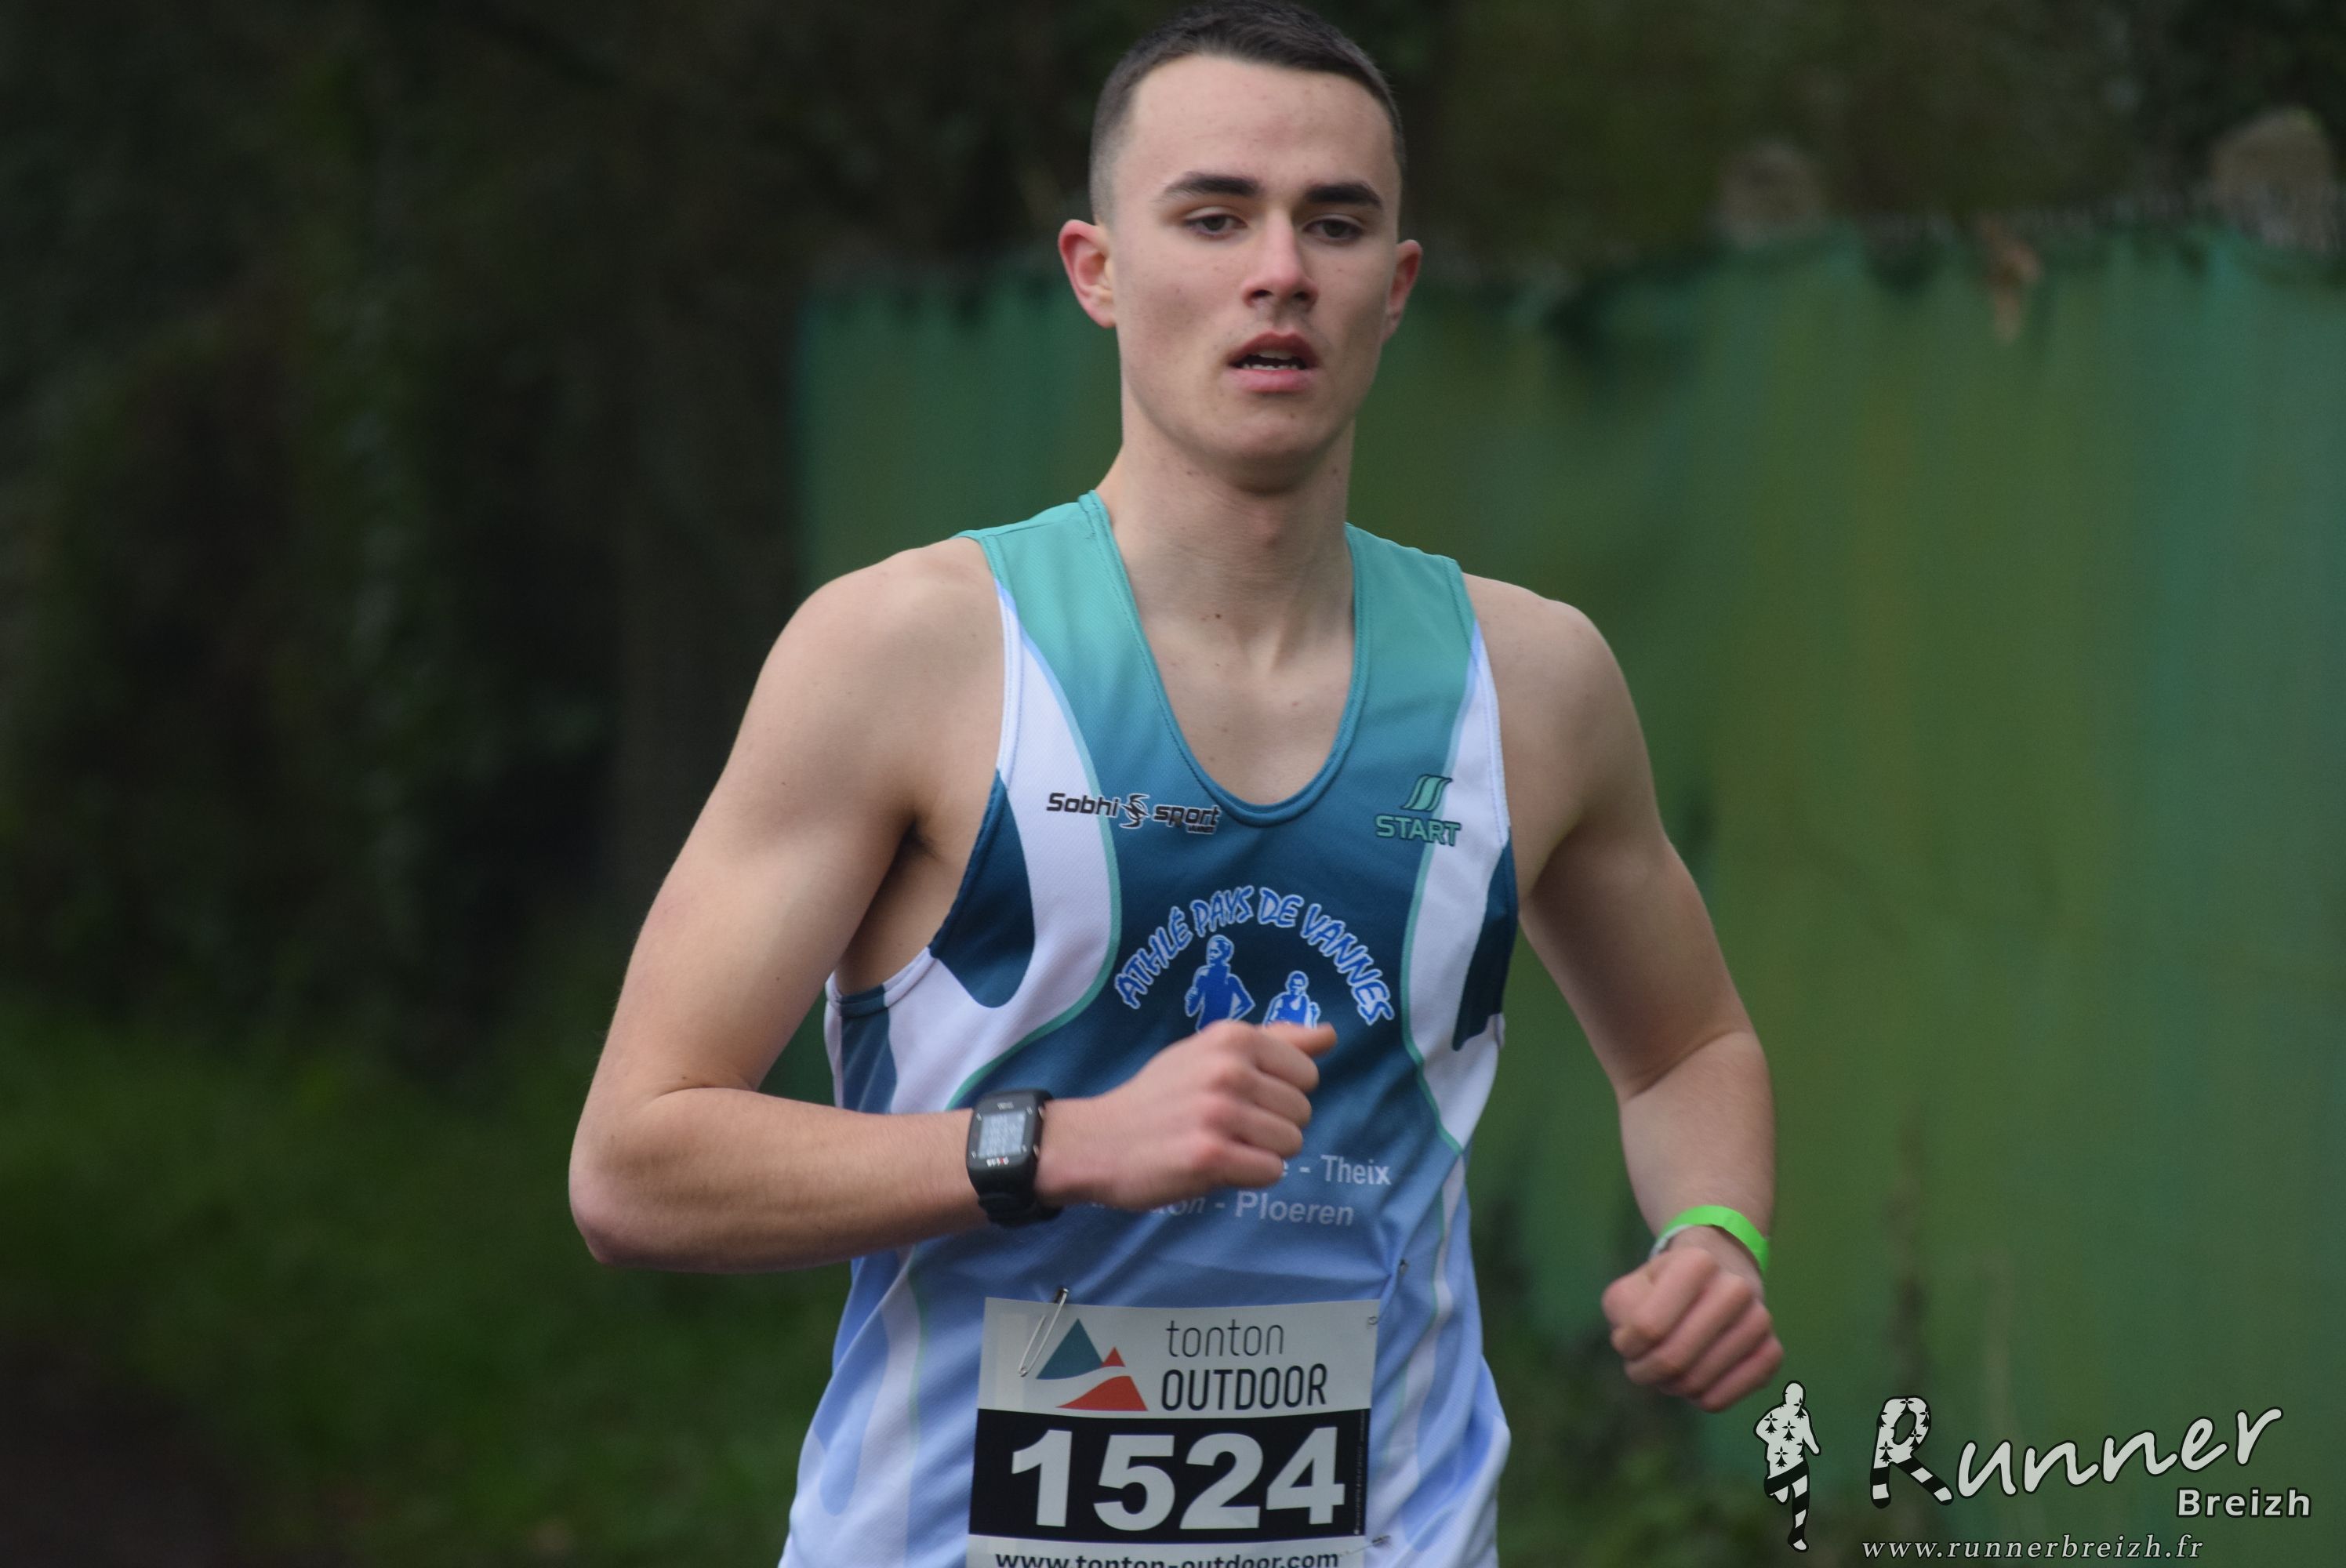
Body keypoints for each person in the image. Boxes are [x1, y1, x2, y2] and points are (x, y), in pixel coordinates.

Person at [568, 4, 1780, 1564]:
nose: (1280, 270)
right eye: (1213, 217)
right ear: (1096, 269)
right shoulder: (907, 653)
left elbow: (1687, 1049)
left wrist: (1712, 1231)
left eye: (1334, 223)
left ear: (1396, 285)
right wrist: (1055, 1144)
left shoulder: (1534, 684)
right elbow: (637, 1165)